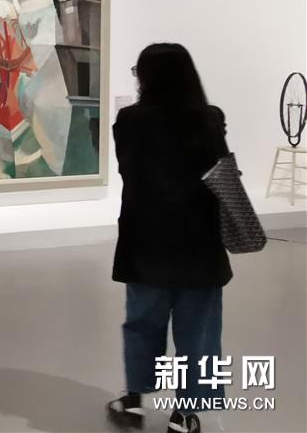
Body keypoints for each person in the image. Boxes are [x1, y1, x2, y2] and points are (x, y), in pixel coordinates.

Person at [107, 43, 231, 433]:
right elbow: (222, 175)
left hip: (146, 242)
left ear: (147, 77)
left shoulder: (130, 120)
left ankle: (134, 401)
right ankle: (185, 414)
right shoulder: (209, 118)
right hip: (200, 243)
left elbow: (129, 171)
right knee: (199, 334)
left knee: (142, 324)